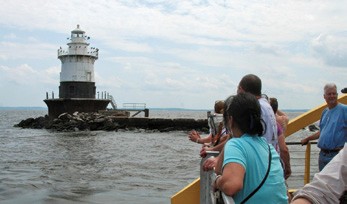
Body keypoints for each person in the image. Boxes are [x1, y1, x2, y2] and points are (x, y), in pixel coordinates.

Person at [213, 93, 288, 203]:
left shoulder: (236, 144)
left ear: (231, 120)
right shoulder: (268, 147)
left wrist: (216, 181)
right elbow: (220, 169)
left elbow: (231, 185)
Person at [203, 74, 281, 171]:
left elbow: (237, 136)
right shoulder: (266, 105)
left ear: (241, 89)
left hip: (258, 164)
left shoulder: (255, 108)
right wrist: (213, 150)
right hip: (270, 162)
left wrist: (218, 159)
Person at [301, 83, 347, 171]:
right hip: (323, 155)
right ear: (324, 96)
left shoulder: (344, 110)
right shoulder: (325, 112)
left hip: (337, 155)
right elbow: (322, 131)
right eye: (329, 94)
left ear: (337, 95)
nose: (332, 96)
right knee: (323, 184)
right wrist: (308, 138)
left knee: (335, 184)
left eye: (334, 94)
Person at [269, 97, 291, 179]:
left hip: (273, 151)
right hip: (281, 149)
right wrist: (276, 109)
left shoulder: (272, 121)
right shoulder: (282, 119)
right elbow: (285, 116)